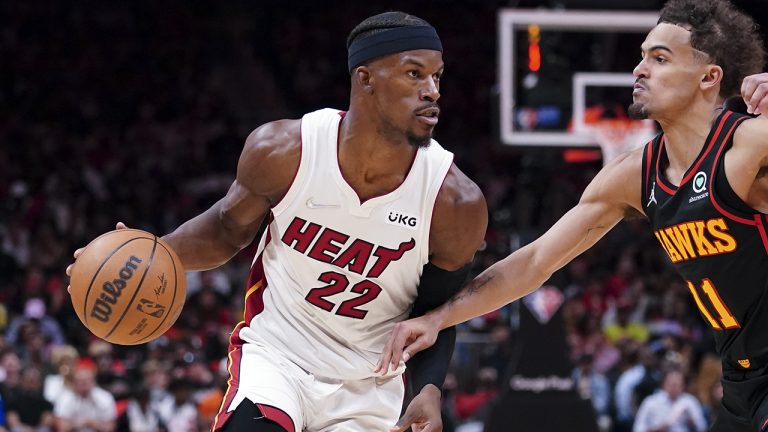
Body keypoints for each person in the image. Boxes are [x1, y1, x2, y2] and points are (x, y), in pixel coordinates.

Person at [66, 10, 486, 432]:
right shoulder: (286, 152)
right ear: (365, 79)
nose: (432, 91)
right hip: (278, 357)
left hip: (370, 384)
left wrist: (428, 388)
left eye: (437, 76)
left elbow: (437, 311)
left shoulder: (454, 202)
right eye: (415, 74)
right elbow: (226, 229)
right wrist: (147, 255)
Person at [377, 1, 768, 431]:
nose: (639, 69)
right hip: (739, 380)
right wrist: (438, 319)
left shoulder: (748, 145)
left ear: (709, 78)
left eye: (659, 58)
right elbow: (536, 261)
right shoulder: (632, 175)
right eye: (641, 56)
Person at [633, 369, 707, 432]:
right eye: (672, 384)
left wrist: (691, 421)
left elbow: (702, 427)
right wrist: (658, 429)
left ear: (683, 386)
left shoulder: (690, 401)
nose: (674, 388)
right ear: (663, 384)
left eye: (678, 385)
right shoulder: (651, 402)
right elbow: (637, 429)